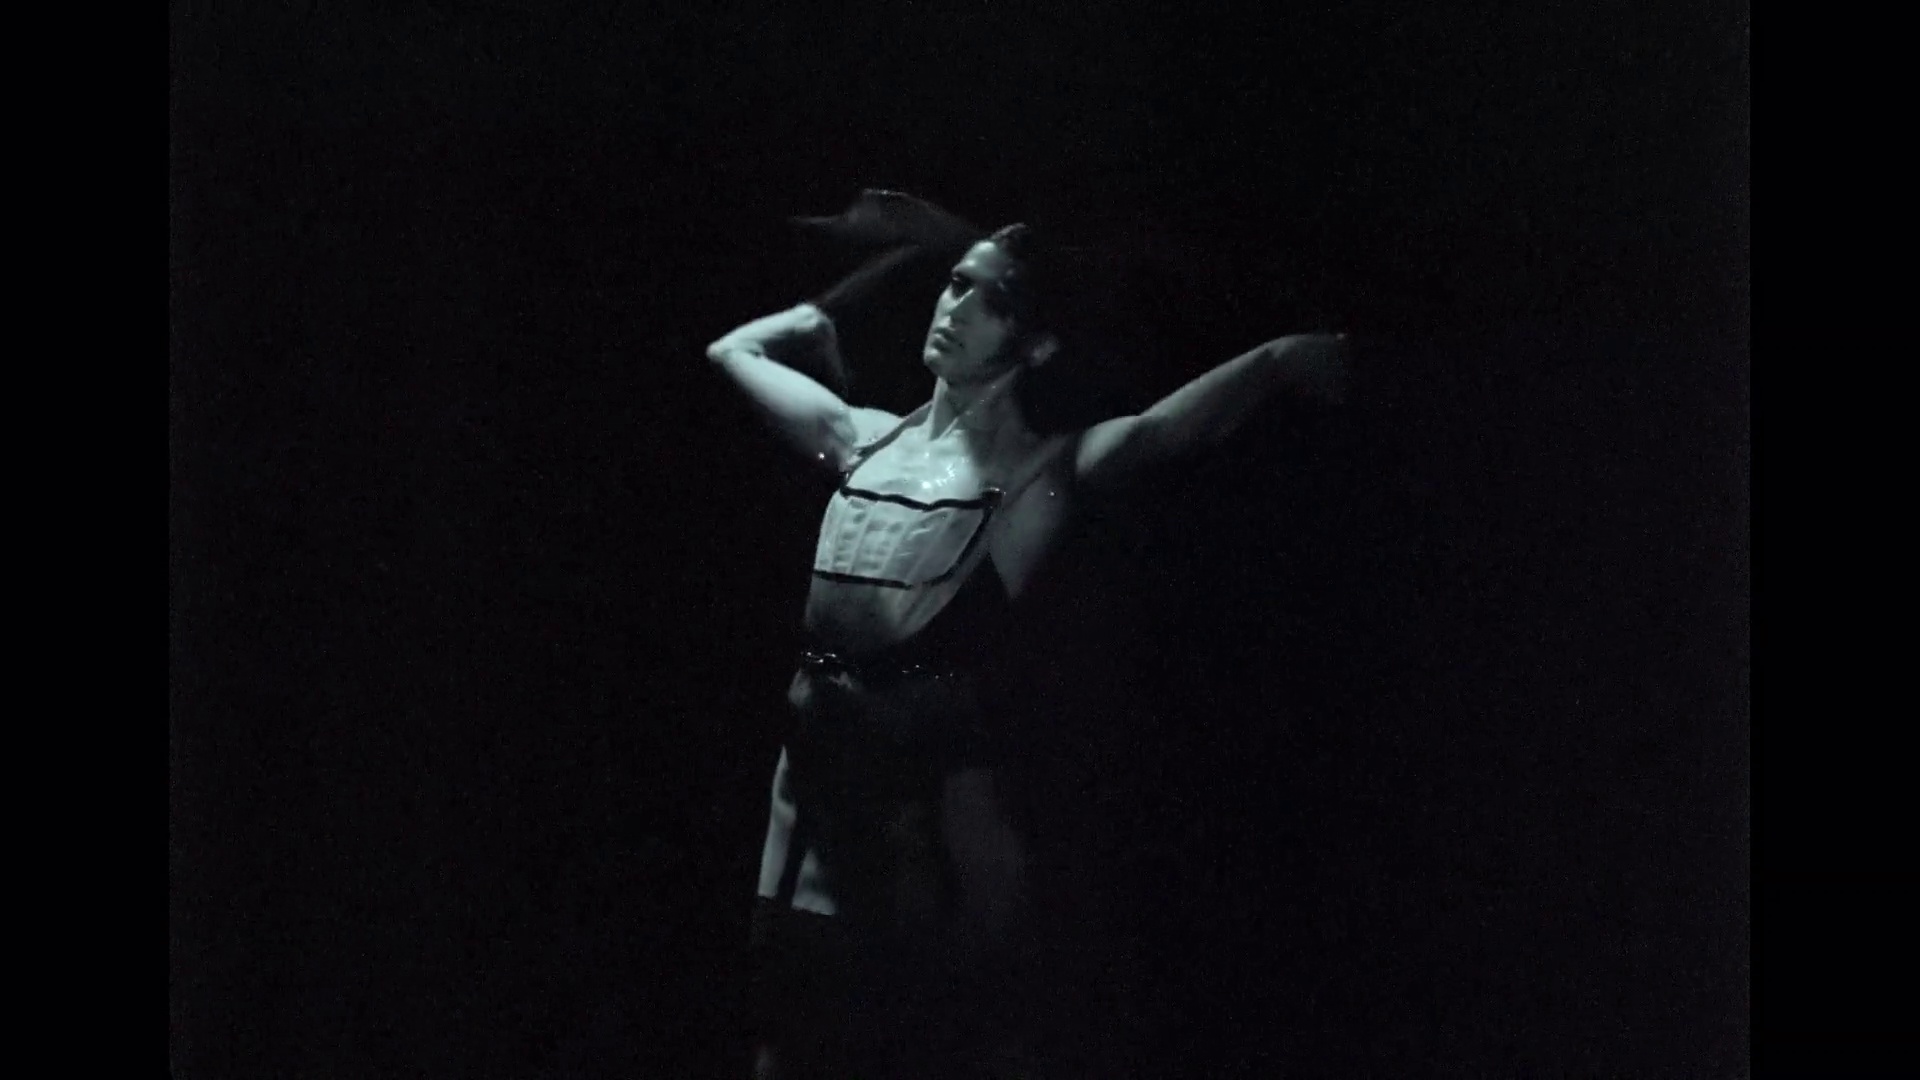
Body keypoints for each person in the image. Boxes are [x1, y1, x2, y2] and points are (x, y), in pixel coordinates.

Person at [707, 191, 1349, 1079]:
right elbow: (730, 351)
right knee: (786, 1027)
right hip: (811, 805)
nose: (956, 308)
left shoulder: (1037, 474)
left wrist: (1278, 360)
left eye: (992, 299)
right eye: (956, 284)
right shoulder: (860, 441)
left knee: (930, 1036)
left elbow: (1163, 432)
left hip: (919, 824)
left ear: (1036, 341)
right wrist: (820, 315)